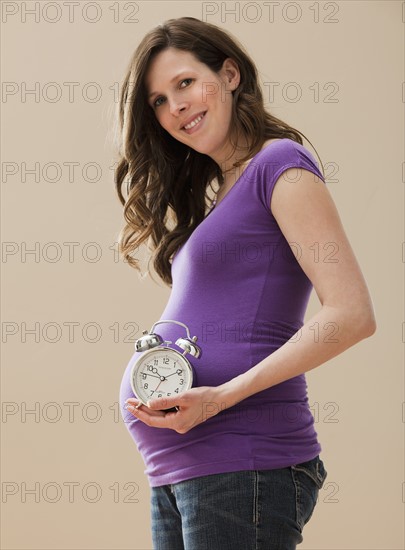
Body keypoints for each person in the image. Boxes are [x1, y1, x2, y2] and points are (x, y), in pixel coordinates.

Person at [115, 16, 376, 550]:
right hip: (182, 470)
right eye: (159, 100)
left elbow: (351, 313)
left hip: (243, 462)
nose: (175, 106)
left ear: (230, 74)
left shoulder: (280, 165)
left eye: (185, 83)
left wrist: (220, 398)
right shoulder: (222, 195)